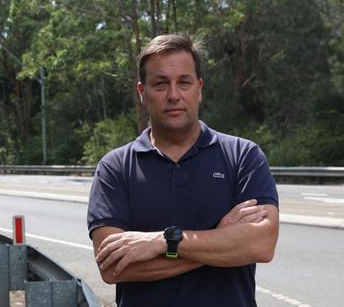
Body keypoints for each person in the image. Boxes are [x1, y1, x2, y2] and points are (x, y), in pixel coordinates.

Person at [86, 33, 279, 306]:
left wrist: (163, 242)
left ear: (199, 88)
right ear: (142, 93)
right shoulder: (115, 168)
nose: (174, 95)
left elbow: (261, 244)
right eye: (161, 84)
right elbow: (113, 267)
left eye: (184, 82)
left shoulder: (243, 157)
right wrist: (221, 242)